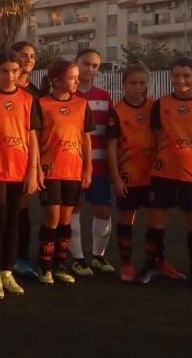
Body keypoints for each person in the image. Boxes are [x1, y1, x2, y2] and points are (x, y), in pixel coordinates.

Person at [142, 57, 192, 290]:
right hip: (163, 171)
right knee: (156, 220)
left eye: (186, 75)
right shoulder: (161, 103)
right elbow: (157, 135)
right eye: (176, 75)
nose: (181, 80)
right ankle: (151, 266)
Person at [0, 50, 41, 299]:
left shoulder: (28, 99)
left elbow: (33, 137)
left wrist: (33, 170)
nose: (10, 75)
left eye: (15, 70)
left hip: (20, 169)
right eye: (5, 70)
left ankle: (7, 271)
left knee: (15, 221)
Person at [36, 59, 93, 285]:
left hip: (73, 171)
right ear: (56, 80)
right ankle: (44, 265)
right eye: (72, 77)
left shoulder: (81, 104)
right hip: (50, 171)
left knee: (66, 220)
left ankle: (60, 264)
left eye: (77, 77)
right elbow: (35, 139)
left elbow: (86, 137)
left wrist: (88, 167)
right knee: (52, 219)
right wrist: (37, 168)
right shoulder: (41, 104)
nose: (77, 81)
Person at [106, 63, 161, 283]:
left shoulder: (155, 106)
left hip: (154, 175)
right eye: (133, 83)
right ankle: (126, 265)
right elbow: (111, 146)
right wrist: (116, 177)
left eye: (142, 83)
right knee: (127, 218)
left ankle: (155, 263)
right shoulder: (117, 111)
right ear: (124, 84)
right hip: (129, 175)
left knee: (155, 219)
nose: (138, 87)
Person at [70, 49, 115, 277]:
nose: (90, 69)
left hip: (99, 166)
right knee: (74, 210)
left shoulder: (105, 97)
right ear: (76, 64)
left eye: (95, 65)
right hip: (72, 165)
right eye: (86, 64)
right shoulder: (66, 94)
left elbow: (110, 133)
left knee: (103, 211)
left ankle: (98, 256)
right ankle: (78, 259)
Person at [9, 41, 41, 279]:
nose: (28, 59)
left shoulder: (36, 95)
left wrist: (36, 167)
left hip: (25, 163)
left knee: (21, 212)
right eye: (23, 55)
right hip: (0, 164)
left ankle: (21, 257)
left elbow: (37, 134)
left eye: (32, 56)